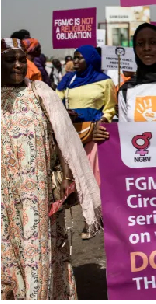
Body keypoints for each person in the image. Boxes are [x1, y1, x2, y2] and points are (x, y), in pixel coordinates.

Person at [1, 38, 102, 299]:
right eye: (9, 60)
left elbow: (65, 140)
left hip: (37, 198)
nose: (17, 65)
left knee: (38, 257)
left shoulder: (41, 93)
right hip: (4, 200)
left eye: (21, 59)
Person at [57, 45, 116, 239]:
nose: (75, 61)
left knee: (92, 176)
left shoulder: (105, 82)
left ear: (90, 60)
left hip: (94, 134)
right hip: (72, 133)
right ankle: (88, 215)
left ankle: (93, 221)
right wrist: (65, 112)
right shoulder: (69, 79)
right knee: (76, 177)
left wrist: (101, 121)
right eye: (74, 58)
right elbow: (57, 101)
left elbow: (110, 107)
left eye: (79, 58)